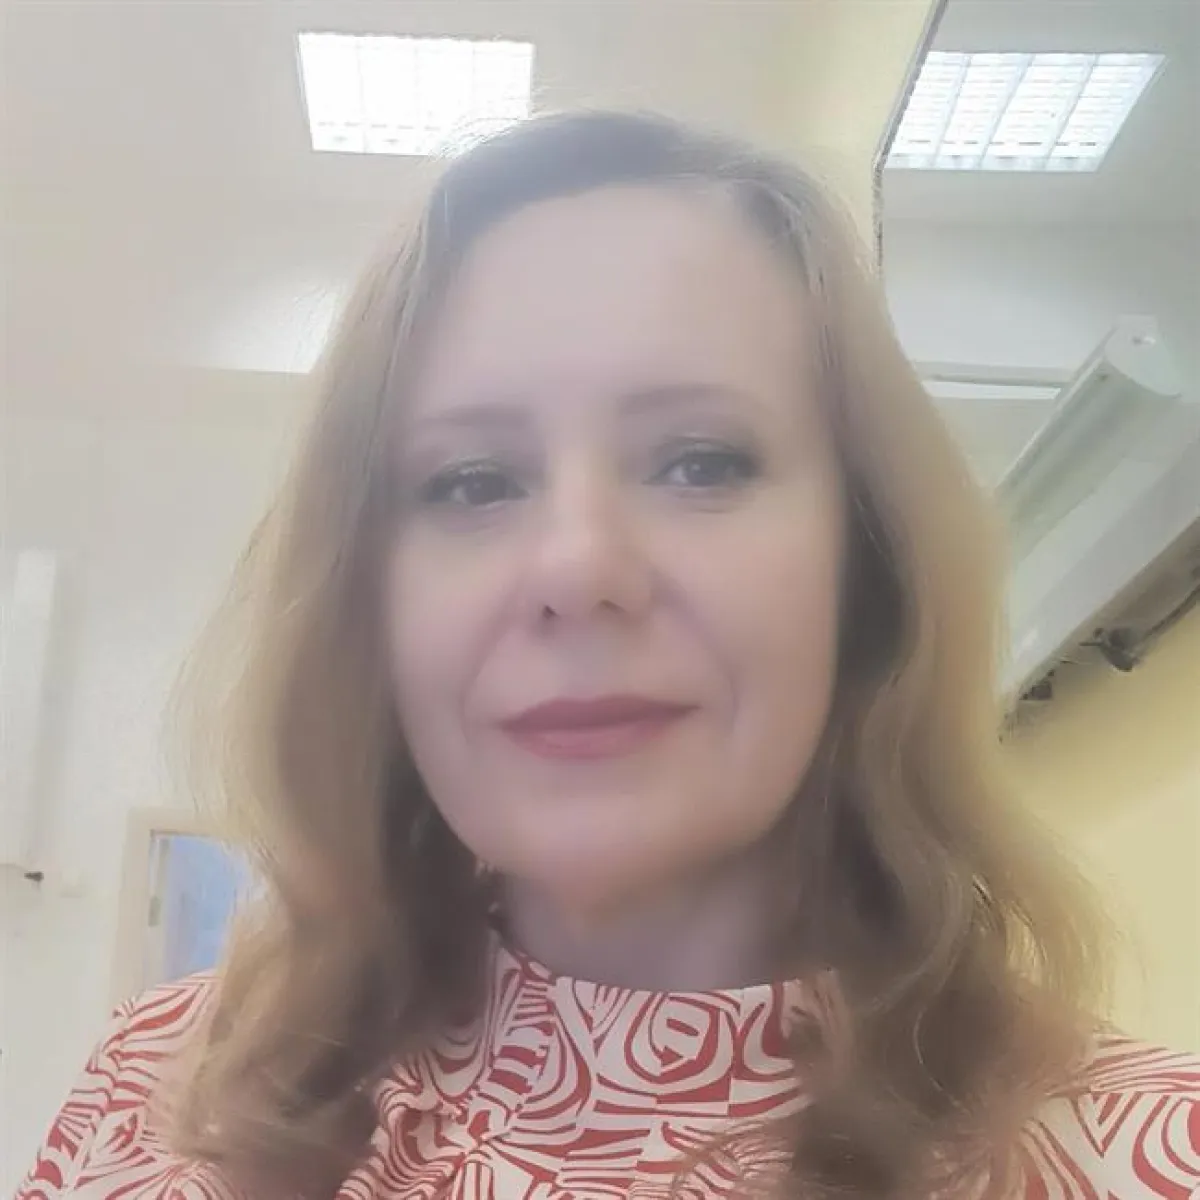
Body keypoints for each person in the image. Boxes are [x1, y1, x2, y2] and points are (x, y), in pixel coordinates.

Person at [19, 111, 1200, 1200]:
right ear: (368, 604)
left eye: (701, 462)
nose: (578, 567)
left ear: (869, 563)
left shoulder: (1147, 1157)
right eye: (473, 481)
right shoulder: (156, 1092)